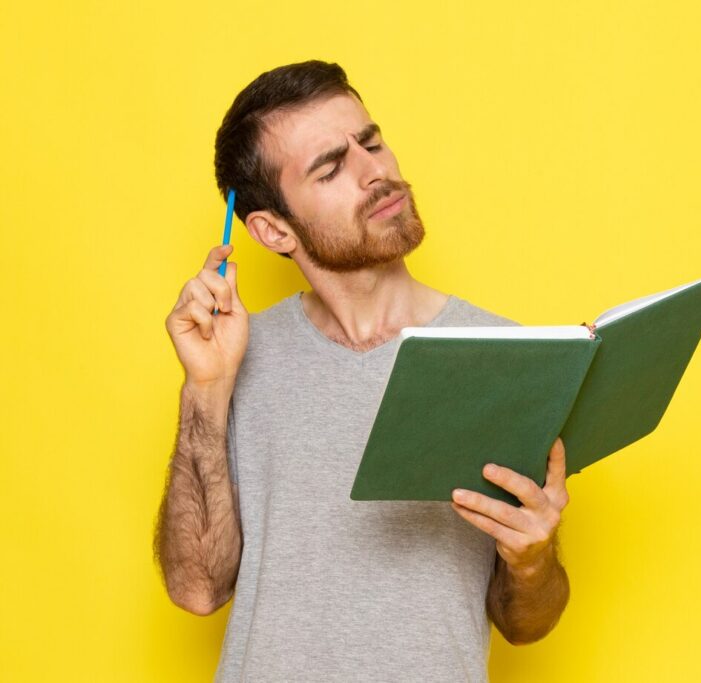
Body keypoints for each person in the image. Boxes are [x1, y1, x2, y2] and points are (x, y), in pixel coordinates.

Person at [153, 60, 571, 682]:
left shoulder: (505, 357)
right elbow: (196, 590)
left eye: (370, 142)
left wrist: (534, 561)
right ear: (272, 230)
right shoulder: (235, 357)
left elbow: (524, 624)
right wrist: (206, 389)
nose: (375, 171)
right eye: (330, 166)